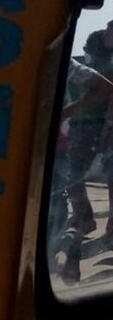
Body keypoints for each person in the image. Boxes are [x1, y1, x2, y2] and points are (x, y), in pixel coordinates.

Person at [62, 29, 113, 241]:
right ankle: (85, 219)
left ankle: (85, 219)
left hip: (93, 126)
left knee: (74, 174)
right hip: (83, 126)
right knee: (74, 174)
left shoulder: (100, 70)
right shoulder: (86, 69)